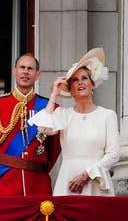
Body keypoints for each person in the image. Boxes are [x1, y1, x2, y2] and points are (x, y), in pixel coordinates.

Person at [28, 47, 119, 196]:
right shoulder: (63, 114)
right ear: (70, 89)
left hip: (96, 181)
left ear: (92, 84)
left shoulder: (107, 115)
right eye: (75, 80)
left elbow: (113, 154)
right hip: (68, 181)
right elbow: (43, 129)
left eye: (84, 78)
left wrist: (86, 175)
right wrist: (54, 95)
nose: (80, 83)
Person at [0, 53, 61, 196]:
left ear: (37, 75)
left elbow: (54, 148)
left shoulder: (49, 107)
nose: (25, 72)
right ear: (14, 72)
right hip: (6, 183)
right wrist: (2, 166)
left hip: (37, 184)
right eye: (22, 67)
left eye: (30, 68)